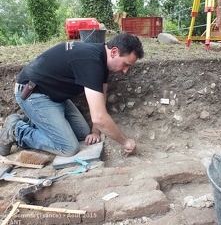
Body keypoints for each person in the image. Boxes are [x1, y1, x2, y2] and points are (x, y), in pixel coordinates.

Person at [0, 32, 144, 157]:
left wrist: (95, 132)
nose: (125, 71)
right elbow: (99, 118)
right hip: (34, 94)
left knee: (83, 133)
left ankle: (35, 120)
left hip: (55, 96)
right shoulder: (91, 63)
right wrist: (125, 141)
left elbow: (102, 97)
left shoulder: (101, 59)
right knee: (68, 147)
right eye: (126, 64)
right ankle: (16, 131)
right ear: (114, 52)